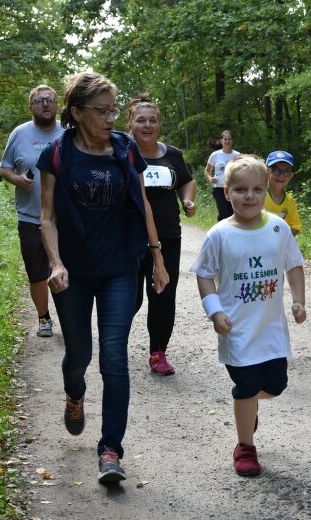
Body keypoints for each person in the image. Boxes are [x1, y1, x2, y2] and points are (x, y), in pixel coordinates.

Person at [36, 72, 169, 484]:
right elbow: (47, 217)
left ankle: (110, 449)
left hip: (118, 269)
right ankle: (74, 393)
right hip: (72, 273)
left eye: (114, 110)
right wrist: (56, 264)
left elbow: (142, 203)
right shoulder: (56, 155)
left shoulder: (125, 150)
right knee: (79, 356)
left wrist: (157, 256)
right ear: (76, 113)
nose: (112, 117)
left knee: (114, 357)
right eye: (102, 111)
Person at [190, 154, 306, 477]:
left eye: (257, 189)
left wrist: (298, 301)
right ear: (226, 193)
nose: (250, 197)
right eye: (240, 190)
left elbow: (293, 265)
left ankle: (249, 406)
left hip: (271, 330)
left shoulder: (278, 228)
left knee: (276, 384)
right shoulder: (219, 235)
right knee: (246, 386)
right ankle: (245, 447)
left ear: (266, 189)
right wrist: (214, 311)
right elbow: (203, 274)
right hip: (236, 331)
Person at [128, 94, 197, 376]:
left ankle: (158, 353)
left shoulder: (173, 155)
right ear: (130, 124)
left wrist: (188, 200)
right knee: (129, 298)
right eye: (140, 120)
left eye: (152, 120)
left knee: (163, 297)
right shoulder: (122, 155)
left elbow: (187, 180)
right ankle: (114, 343)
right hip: (130, 238)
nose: (147, 125)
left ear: (159, 125)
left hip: (168, 237)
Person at [0, 84, 64, 337]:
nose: (45, 104)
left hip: (65, 218)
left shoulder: (69, 132)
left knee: (68, 269)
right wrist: (16, 179)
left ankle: (69, 318)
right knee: (38, 273)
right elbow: (5, 167)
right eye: (39, 101)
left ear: (57, 105)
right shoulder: (19, 133)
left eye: (50, 100)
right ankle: (44, 318)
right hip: (30, 217)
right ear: (30, 107)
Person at [264, 150, 303, 236]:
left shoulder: (289, 200)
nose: (281, 175)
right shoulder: (258, 195)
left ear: (291, 175)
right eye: (275, 170)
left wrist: (282, 239)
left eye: (286, 171)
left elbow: (296, 226)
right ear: (267, 171)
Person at [204, 130, 240, 221]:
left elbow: (241, 171)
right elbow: (207, 170)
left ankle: (232, 234)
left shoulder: (237, 155)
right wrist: (210, 178)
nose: (227, 141)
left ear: (232, 141)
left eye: (229, 139)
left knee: (233, 214)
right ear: (221, 141)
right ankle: (220, 233)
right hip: (219, 188)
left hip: (233, 188)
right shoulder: (215, 155)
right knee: (223, 214)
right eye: (225, 139)